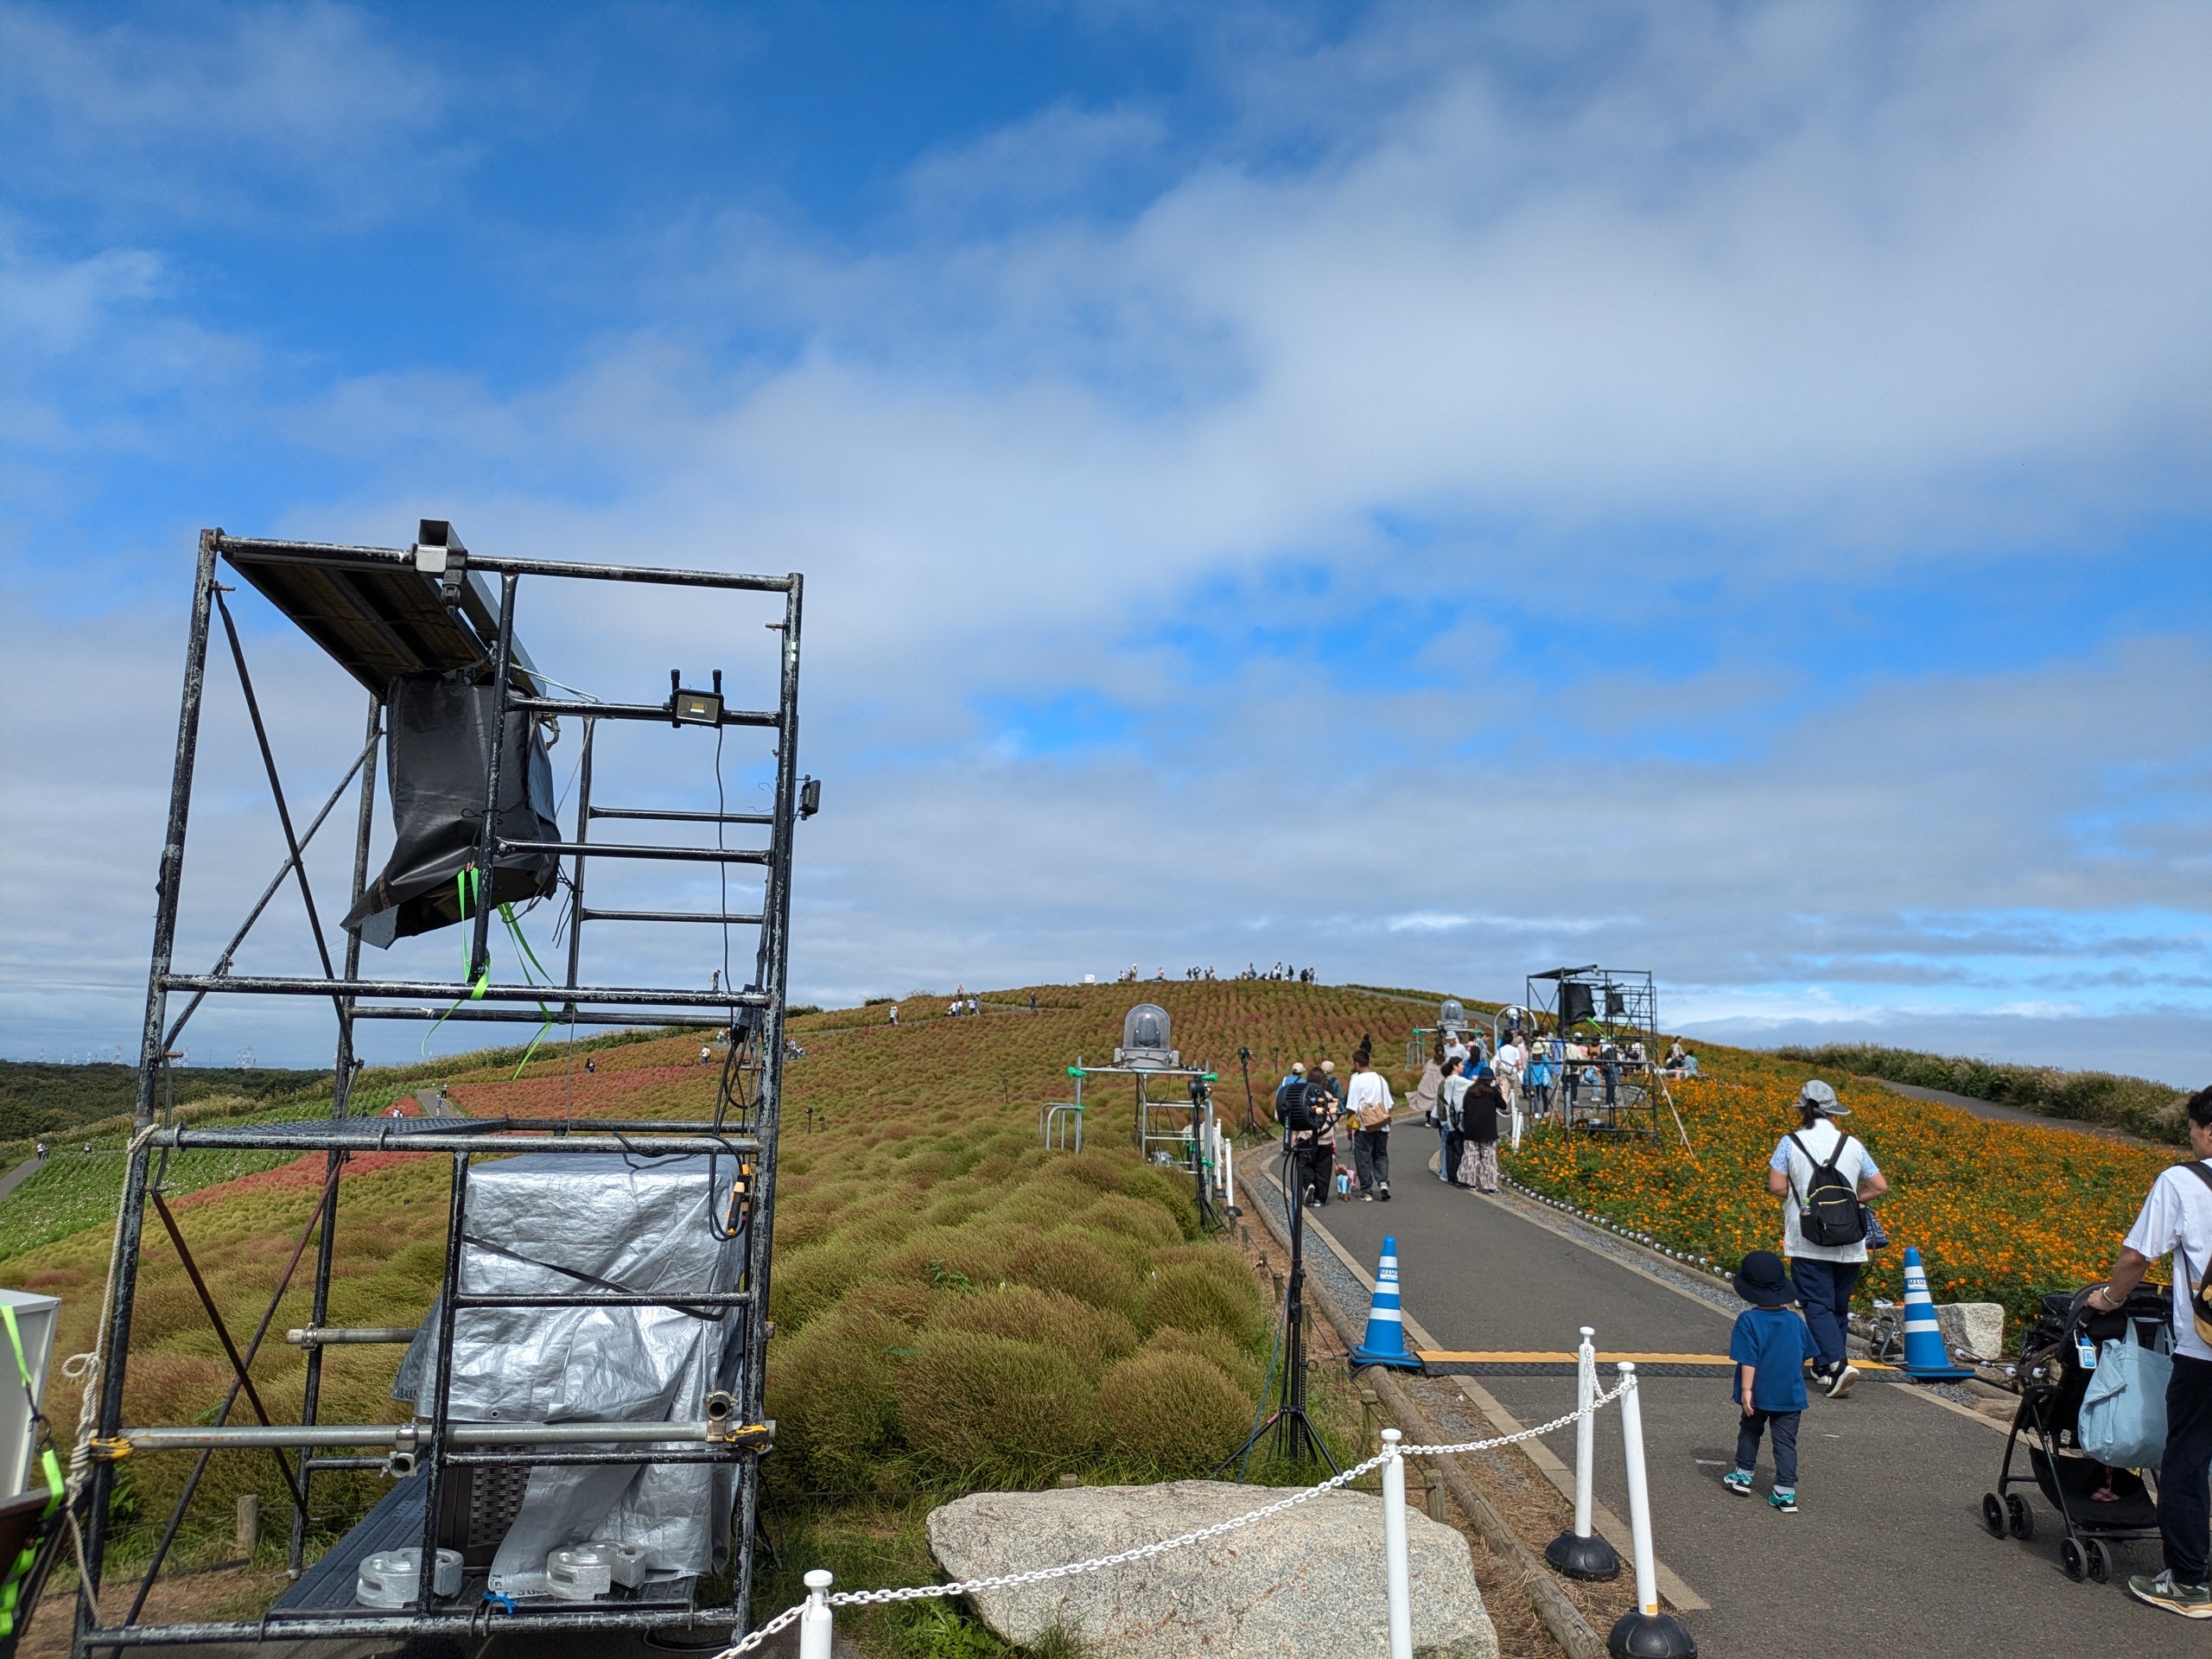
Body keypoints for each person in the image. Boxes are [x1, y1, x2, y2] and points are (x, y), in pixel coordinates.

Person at [2083, 1084, 2212, 1618]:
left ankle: (2187, 1583)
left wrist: (2108, 1297)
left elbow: (2138, 1258)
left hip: (2205, 1352)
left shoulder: (2183, 1181)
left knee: (2185, 1458)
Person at [1765, 1080, 1885, 1399]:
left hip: (1809, 1236)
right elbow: (1878, 1185)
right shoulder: (1852, 1144)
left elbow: (1777, 1187)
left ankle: (1837, 1364)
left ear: (1803, 1108)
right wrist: (1852, 1203)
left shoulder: (1789, 1143)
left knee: (1815, 1304)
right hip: (1849, 1238)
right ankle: (1821, 1367)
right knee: (1837, 1306)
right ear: (1833, 1111)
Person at [1723, 1250, 1819, 1513]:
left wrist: (1746, 1390)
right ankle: (1785, 1492)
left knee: (1751, 1431)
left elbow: (1748, 1359)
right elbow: (1804, 1355)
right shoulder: (1795, 1321)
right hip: (1790, 1394)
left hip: (1758, 1393)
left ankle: (1743, 1475)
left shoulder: (1748, 1321)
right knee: (1786, 1442)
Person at [1345, 1053, 1393, 1201]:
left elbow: (1352, 1106)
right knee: (1380, 1155)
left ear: (1357, 1064)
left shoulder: (1357, 1081)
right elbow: (1388, 1104)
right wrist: (1388, 1124)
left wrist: (1349, 1123)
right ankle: (1383, 1182)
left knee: (1363, 1157)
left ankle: (1366, 1190)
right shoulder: (1380, 1079)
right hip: (1381, 1124)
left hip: (1364, 1125)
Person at [1457, 1063, 1502, 1192]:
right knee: (1488, 1158)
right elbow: (1503, 1106)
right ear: (1490, 1080)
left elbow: (1465, 1107)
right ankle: (1490, 1185)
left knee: (1470, 1156)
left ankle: (1468, 1181)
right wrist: (1502, 1091)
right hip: (1488, 1130)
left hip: (1471, 1128)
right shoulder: (1493, 1092)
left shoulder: (1470, 1091)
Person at [1432, 1058, 1465, 1183]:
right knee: (1448, 1146)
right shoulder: (1452, 1083)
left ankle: (1446, 1172)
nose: (1463, 1066)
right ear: (1455, 1067)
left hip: (1444, 1119)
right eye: (1461, 1064)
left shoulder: (1444, 1082)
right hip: (1448, 1119)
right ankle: (1446, 1173)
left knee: (1446, 1146)